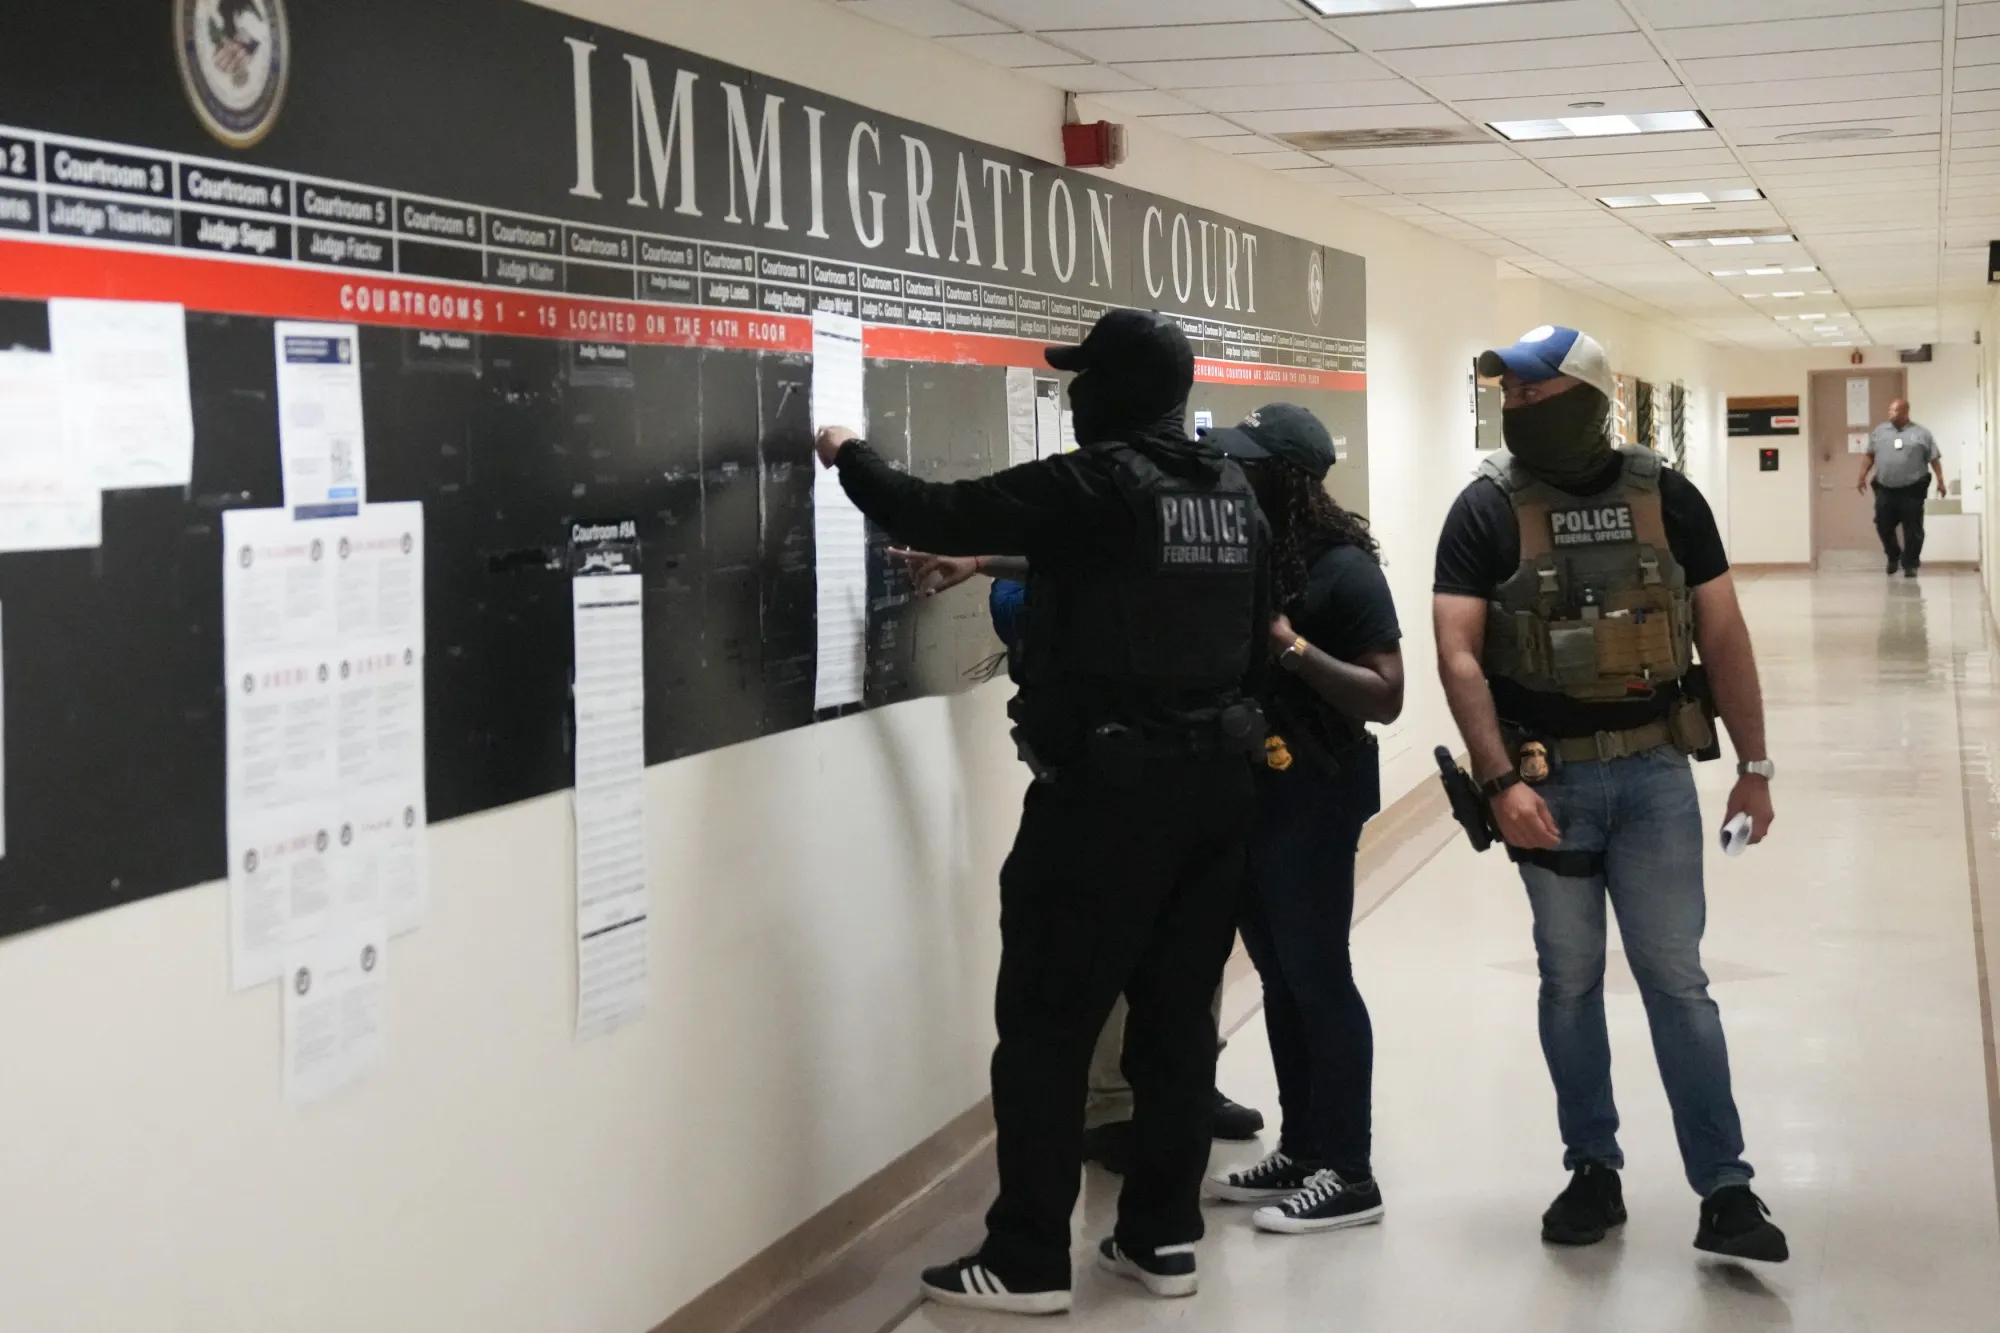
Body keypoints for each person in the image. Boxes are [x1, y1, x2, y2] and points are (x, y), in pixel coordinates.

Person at [815, 308, 1269, 1314]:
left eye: (1081, 381)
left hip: (1105, 801)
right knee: (1174, 1025)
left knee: (1045, 1028)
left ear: (1110, 395)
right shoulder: (1229, 491)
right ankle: (1159, 1238)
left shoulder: (1094, 481)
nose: (1070, 396)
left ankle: (1024, 1256)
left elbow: (927, 508)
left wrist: (846, 451)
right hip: (1213, 791)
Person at [1433, 325, 1789, 1264]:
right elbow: (1458, 653)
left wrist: (1755, 764)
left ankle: (1726, 1188)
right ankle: (1592, 1167)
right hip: (1547, 783)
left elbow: (1723, 629)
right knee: (1570, 980)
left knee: (1678, 982)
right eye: (1506, 396)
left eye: (1535, 395)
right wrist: (1497, 780)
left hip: (1655, 775)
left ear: (1589, 396)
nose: (1515, 409)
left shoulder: (1665, 495)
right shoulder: (1486, 509)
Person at [898, 549, 1268, 1173]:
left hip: (1184, 781)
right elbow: (1050, 610)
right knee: (1114, 955)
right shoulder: (1030, 593)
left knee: (1190, 958)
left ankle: (1186, 1088)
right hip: (1101, 793)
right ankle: (1114, 1108)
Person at [1197, 405, 1405, 1236]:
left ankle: (1350, 1171)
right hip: (1255, 793)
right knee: (1280, 975)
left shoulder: (1343, 568)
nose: (1232, 476)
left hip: (1317, 792)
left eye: (1249, 466)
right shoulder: (1252, 551)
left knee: (1318, 973)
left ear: (1285, 478)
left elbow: (1387, 695)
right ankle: (1303, 1145)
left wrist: (1292, 647)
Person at [1856, 398, 1945, 578]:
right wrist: (1862, 476)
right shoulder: (1880, 432)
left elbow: (1934, 459)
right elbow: (1869, 455)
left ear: (1905, 412)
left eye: (1894, 411)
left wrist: (1941, 481)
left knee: (1913, 529)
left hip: (1912, 489)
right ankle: (1893, 556)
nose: (1890, 413)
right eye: (1889, 410)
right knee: (1883, 524)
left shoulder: (1922, 434)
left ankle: (1911, 563)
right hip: (1885, 488)